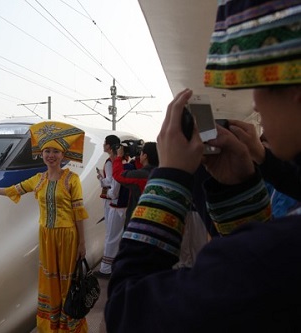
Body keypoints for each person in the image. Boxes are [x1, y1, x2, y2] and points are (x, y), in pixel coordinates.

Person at [106, 1, 301, 332]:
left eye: (258, 82)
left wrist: (168, 179)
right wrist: (239, 190)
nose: (254, 103)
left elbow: (128, 307)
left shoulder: (278, 257)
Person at [0, 120, 89, 333]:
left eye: (56, 152)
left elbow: (79, 212)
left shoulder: (72, 179)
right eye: (47, 151)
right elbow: (11, 190)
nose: (51, 155)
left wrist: (82, 242)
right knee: (49, 278)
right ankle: (51, 323)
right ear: (42, 154)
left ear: (63, 156)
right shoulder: (38, 179)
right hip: (46, 235)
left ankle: (69, 325)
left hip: (67, 235)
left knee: (68, 280)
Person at [94, 143, 134, 279]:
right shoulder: (131, 166)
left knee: (111, 237)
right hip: (126, 207)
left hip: (116, 208)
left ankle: (106, 269)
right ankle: (118, 264)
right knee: (120, 236)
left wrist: (106, 188)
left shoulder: (120, 167)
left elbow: (114, 191)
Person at [111, 141, 159, 227]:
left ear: (145, 156)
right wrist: (137, 157)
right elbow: (142, 169)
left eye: (141, 152)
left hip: (138, 222)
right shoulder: (158, 174)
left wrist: (119, 157)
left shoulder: (141, 175)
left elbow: (118, 175)